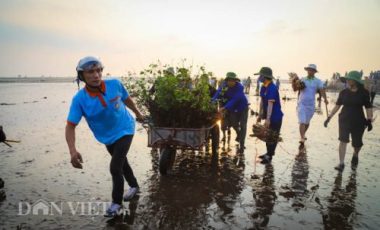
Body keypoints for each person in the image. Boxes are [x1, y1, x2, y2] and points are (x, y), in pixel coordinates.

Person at [65, 56, 145, 217]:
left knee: (115, 167)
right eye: (90, 72)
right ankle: (134, 186)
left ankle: (116, 204)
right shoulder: (79, 99)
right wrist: (72, 151)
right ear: (82, 76)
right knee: (122, 163)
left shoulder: (114, 84)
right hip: (107, 136)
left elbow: (126, 99)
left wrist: (138, 113)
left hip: (125, 128)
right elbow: (70, 126)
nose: (96, 75)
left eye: (98, 70)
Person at [324, 71, 373, 171]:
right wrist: (329, 117)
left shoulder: (364, 93)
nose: (347, 81)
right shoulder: (343, 93)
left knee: (357, 143)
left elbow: (368, 107)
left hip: (358, 121)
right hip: (344, 119)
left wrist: (369, 120)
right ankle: (341, 163)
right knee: (343, 141)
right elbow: (337, 106)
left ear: (355, 81)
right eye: (347, 79)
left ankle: (355, 154)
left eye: (349, 79)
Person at [212, 72, 249, 153]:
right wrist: (212, 101)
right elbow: (218, 93)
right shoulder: (224, 85)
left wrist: (225, 107)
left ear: (236, 81)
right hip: (233, 108)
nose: (231, 82)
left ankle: (242, 145)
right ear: (227, 80)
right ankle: (239, 135)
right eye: (229, 80)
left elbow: (235, 99)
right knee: (234, 123)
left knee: (243, 126)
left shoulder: (240, 87)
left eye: (233, 81)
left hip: (242, 108)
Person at [292, 64, 328, 146]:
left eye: (312, 70)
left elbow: (322, 90)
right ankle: (302, 138)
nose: (310, 71)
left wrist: (325, 99)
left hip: (311, 105)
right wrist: (294, 82)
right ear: (307, 70)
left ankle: (303, 134)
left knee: (307, 122)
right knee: (302, 121)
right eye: (309, 70)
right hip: (301, 103)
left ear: (315, 72)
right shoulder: (302, 80)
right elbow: (295, 89)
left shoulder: (318, 81)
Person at [255, 67, 284, 164]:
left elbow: (270, 104)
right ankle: (268, 153)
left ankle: (269, 156)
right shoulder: (264, 87)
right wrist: (260, 115)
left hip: (275, 116)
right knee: (267, 135)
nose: (259, 77)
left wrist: (268, 119)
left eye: (260, 76)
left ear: (265, 76)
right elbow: (263, 103)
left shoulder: (272, 88)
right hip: (268, 115)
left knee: (272, 136)